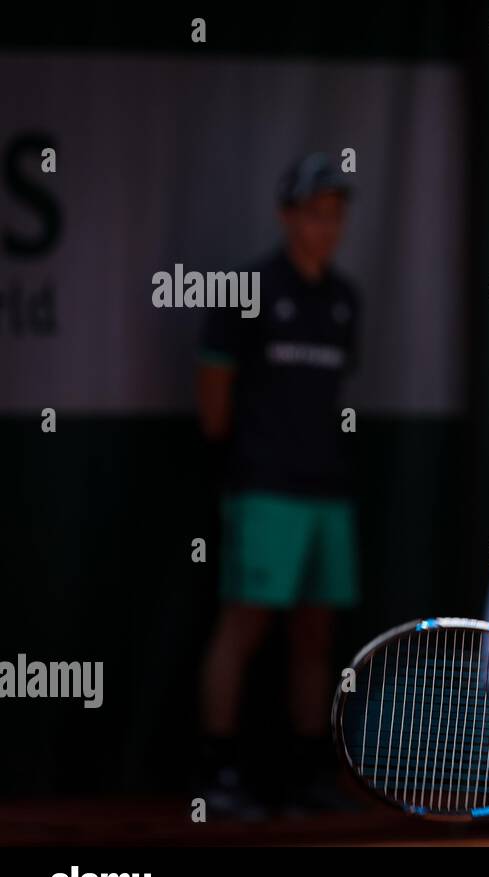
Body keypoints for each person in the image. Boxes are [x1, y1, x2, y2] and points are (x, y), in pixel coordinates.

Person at [195, 153, 362, 816]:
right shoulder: (249, 290)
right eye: (315, 212)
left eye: (337, 214)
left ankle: (308, 776)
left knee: (315, 634)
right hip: (264, 489)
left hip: (330, 492)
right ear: (287, 215)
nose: (327, 226)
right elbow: (213, 403)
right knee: (245, 624)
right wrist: (254, 461)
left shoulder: (346, 300)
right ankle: (220, 774)